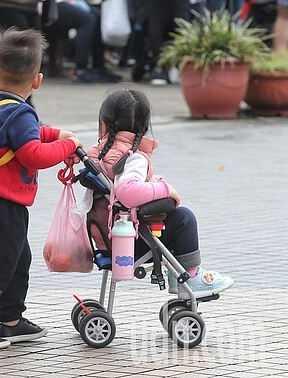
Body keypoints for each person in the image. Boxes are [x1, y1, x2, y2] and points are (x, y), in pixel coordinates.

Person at [0, 27, 82, 349]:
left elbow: (28, 134)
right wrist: (69, 145)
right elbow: (32, 153)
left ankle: (11, 320)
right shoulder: (21, 112)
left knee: (16, 259)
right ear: (37, 81)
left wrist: (54, 133)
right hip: (2, 206)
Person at [86, 88, 234, 299]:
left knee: (173, 217)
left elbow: (118, 184)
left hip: (106, 238)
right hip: (130, 241)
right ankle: (188, 277)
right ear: (145, 127)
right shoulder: (132, 158)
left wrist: (154, 182)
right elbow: (126, 190)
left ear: (105, 123)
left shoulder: (99, 152)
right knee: (183, 218)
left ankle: (180, 274)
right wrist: (165, 190)